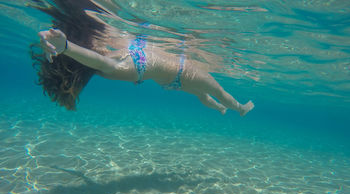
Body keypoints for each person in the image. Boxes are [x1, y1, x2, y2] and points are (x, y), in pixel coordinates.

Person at [32, 0, 254, 115]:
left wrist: (66, 48)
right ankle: (240, 109)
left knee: (202, 95)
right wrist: (67, 47)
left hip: (170, 81)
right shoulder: (108, 66)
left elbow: (93, 59)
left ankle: (220, 109)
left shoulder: (105, 63)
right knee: (216, 91)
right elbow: (95, 60)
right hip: (182, 73)